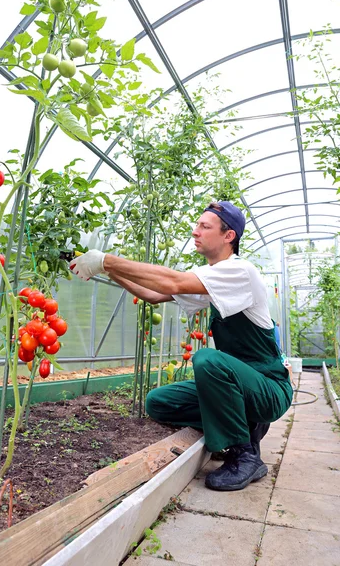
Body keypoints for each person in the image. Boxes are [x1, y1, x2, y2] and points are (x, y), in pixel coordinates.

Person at [70, 201, 293, 492]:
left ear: (229, 236)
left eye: (205, 226)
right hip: (242, 387)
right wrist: (109, 273)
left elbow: (173, 282)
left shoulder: (240, 271)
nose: (195, 231)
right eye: (197, 225)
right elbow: (153, 294)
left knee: (207, 360)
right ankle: (241, 424)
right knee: (160, 402)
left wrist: (106, 260)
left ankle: (245, 454)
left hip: (268, 387)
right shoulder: (213, 276)